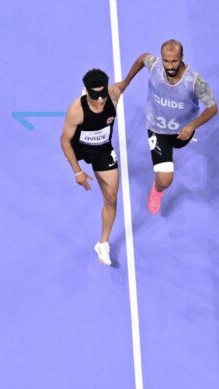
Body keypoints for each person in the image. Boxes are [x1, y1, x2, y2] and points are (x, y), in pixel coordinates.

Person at [119, 39, 218, 214]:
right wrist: (125, 82)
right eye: (166, 60)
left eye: (174, 61)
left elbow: (212, 108)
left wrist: (192, 126)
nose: (170, 65)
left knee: (178, 146)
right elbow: (142, 58)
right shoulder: (155, 66)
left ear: (182, 57)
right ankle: (157, 191)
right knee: (165, 180)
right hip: (157, 129)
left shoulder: (194, 81)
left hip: (182, 132)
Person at [60, 68, 135, 266]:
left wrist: (143, 61)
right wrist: (77, 171)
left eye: (102, 94)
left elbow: (126, 82)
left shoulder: (113, 95)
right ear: (87, 91)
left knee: (111, 198)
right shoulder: (76, 109)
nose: (101, 100)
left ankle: (103, 243)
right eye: (95, 95)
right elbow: (64, 141)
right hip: (80, 148)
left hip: (102, 150)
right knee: (72, 151)